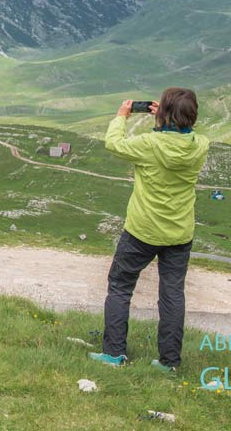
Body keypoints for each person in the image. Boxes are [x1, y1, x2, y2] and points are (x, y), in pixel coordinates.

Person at [89, 87, 210, 372]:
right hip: (179, 233)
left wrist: (122, 116)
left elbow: (113, 143)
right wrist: (172, 120)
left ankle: (114, 354)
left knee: (120, 287)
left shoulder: (148, 144)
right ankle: (169, 362)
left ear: (165, 113)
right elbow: (188, 134)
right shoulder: (201, 145)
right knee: (172, 294)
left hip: (141, 231)